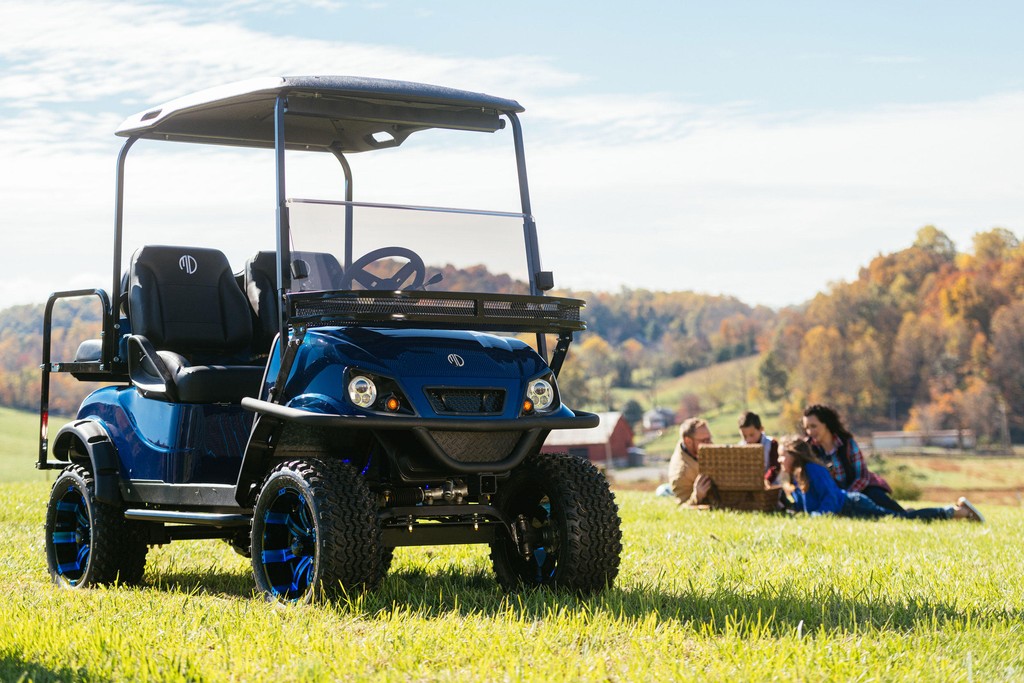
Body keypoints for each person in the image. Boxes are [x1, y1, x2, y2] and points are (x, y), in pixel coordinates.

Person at [779, 435, 984, 522]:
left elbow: (830, 499)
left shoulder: (813, 470)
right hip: (851, 507)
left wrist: (816, 516)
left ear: (795, 454)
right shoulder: (798, 476)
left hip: (854, 505)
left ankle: (956, 512)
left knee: (901, 519)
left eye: (783, 455)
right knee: (899, 516)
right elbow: (807, 505)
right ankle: (953, 511)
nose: (780, 460)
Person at [802, 404, 904, 513]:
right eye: (807, 428)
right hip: (835, 499)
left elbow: (862, 476)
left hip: (863, 490)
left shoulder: (847, 444)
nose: (809, 432)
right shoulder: (809, 450)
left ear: (826, 424)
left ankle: (907, 514)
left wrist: (847, 496)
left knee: (890, 508)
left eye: (813, 426)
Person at [668, 417, 717, 506]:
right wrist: (697, 496)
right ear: (688, 441)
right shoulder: (681, 473)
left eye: (710, 439)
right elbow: (682, 507)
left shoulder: (690, 447)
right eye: (704, 440)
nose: (710, 444)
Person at [737, 410, 781, 486]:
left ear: (761, 429)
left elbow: (775, 467)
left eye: (751, 435)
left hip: (770, 486)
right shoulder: (740, 446)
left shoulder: (771, 443)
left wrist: (766, 480)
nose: (748, 440)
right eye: (744, 436)